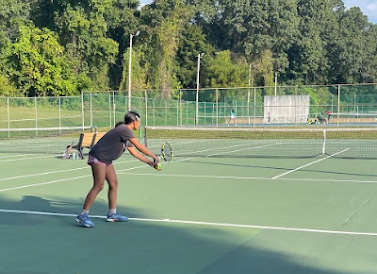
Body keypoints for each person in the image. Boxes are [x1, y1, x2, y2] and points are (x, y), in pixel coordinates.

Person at [76, 111, 160, 228]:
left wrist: (150, 162)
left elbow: (135, 153)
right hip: (98, 157)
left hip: (106, 160)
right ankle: (83, 215)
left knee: (113, 183)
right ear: (134, 122)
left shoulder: (126, 136)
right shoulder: (124, 129)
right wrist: (155, 156)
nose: (139, 124)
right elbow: (139, 147)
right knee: (99, 185)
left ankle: (112, 214)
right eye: (139, 122)